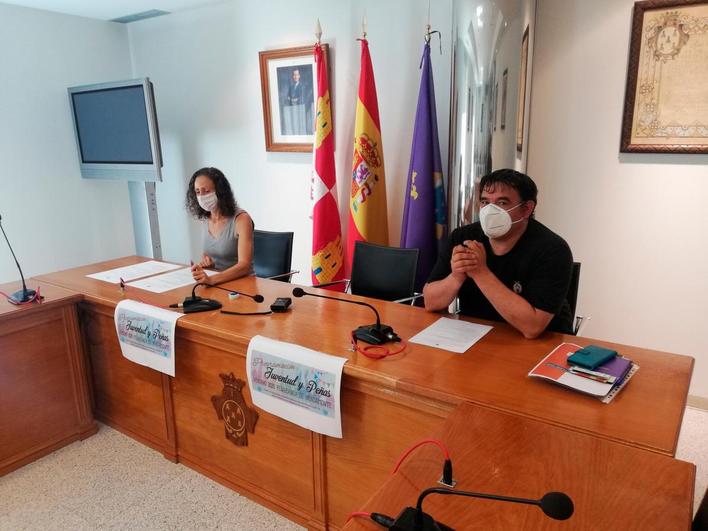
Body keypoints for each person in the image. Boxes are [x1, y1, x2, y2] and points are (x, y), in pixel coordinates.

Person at [423, 169, 573, 338]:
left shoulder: (553, 249)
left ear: (527, 209)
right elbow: (430, 302)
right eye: (485, 202)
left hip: (543, 345)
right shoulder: (463, 237)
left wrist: (480, 272)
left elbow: (533, 327)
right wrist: (456, 276)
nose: (490, 210)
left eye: (502, 203)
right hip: (475, 337)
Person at [185, 167, 254, 285]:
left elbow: (244, 265)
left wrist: (212, 280)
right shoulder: (206, 220)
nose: (201, 196)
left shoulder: (242, 220)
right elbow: (207, 257)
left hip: (242, 284)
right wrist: (209, 265)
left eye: (206, 191)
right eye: (197, 192)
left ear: (220, 192)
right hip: (217, 283)